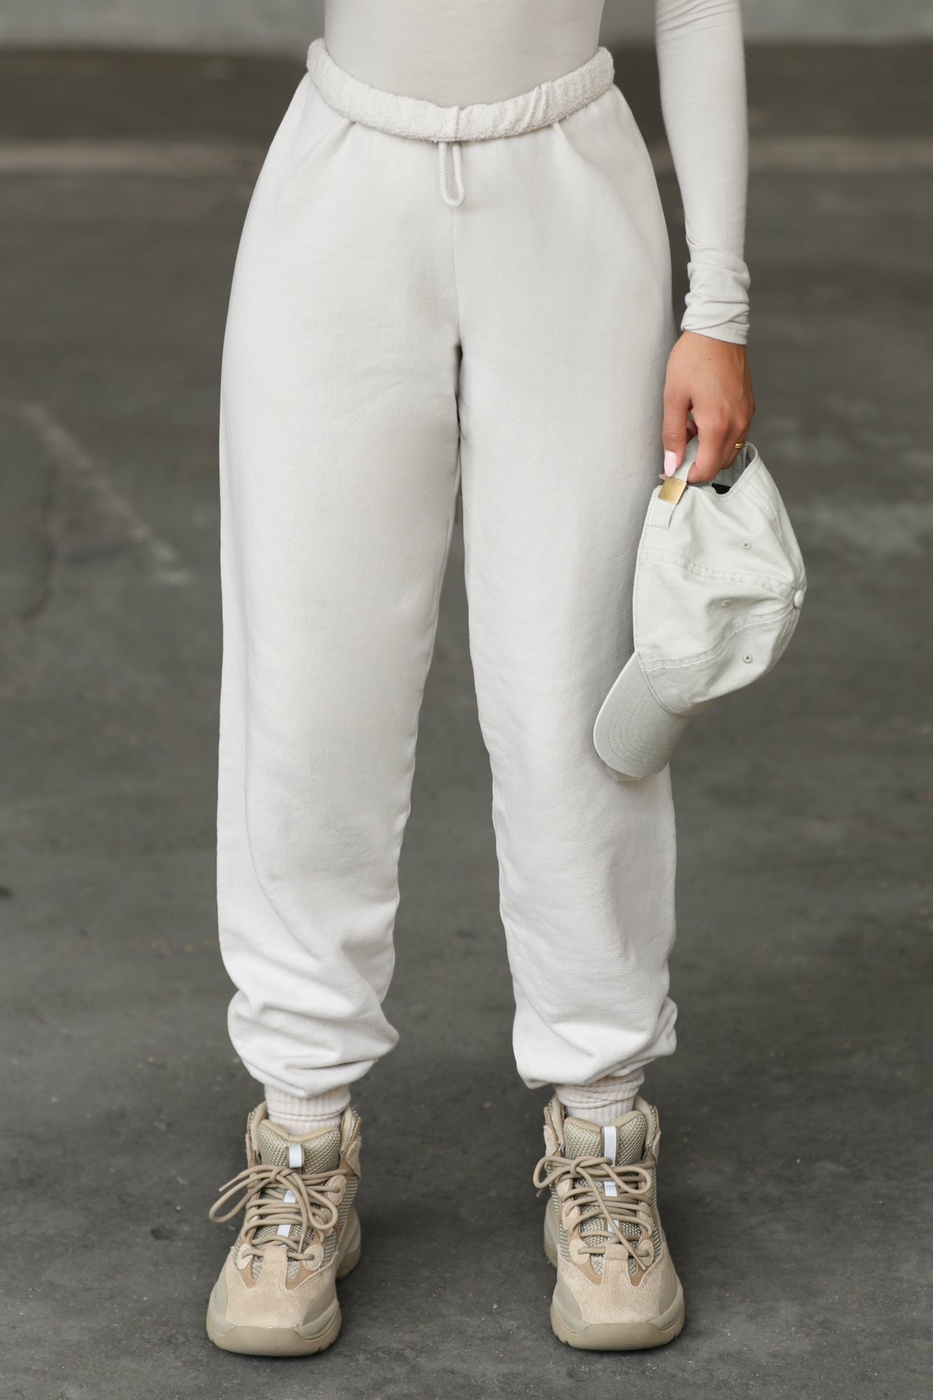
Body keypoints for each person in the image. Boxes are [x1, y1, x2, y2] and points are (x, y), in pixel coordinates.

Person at [205, 0, 754, 1356]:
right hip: (339, 200)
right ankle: (300, 1138)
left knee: (582, 704)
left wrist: (717, 306)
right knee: (306, 693)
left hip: (573, 206)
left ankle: (603, 1130)